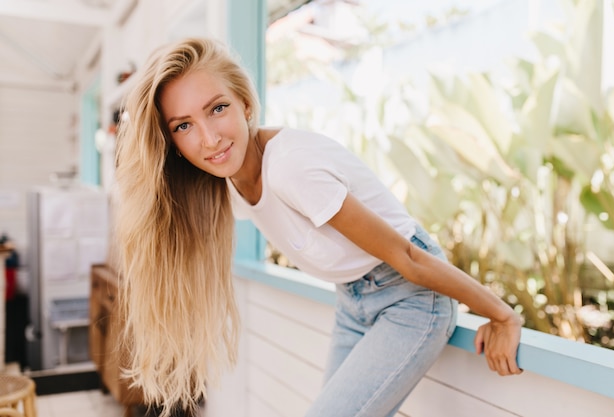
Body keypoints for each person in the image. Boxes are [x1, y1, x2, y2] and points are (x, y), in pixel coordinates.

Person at [114, 37, 523, 417]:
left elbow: (409, 255)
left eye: (217, 108)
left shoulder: (291, 167)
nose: (209, 139)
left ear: (245, 104)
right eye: (183, 126)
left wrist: (502, 315)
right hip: (354, 300)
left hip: (411, 294)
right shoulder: (229, 181)